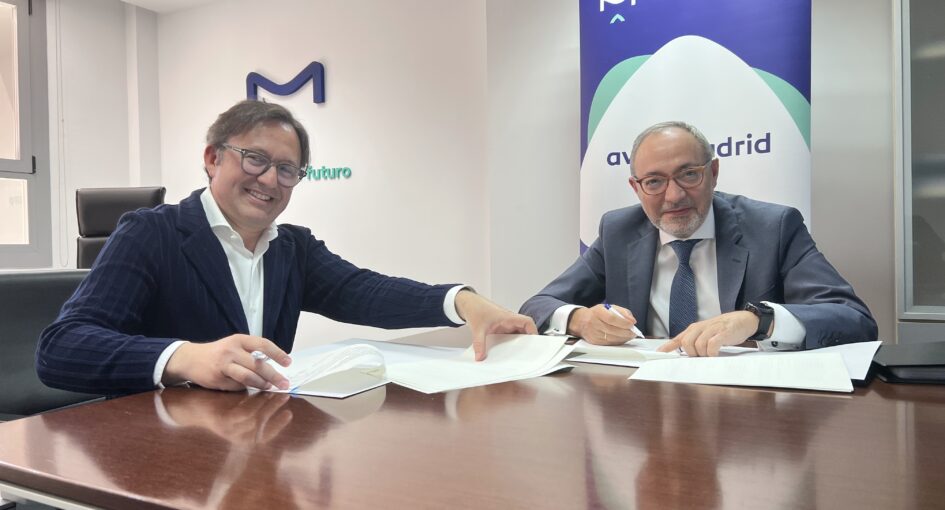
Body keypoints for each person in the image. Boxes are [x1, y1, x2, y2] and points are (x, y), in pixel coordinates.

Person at [37, 100, 536, 395]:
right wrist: (184, 357)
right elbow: (60, 348)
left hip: (256, 444)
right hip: (162, 453)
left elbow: (366, 292)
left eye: (288, 169)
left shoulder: (291, 248)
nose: (270, 180)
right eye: (255, 159)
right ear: (213, 159)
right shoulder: (151, 233)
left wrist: (462, 301)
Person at [520, 121, 877, 357]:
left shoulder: (774, 226)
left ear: (714, 172)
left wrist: (758, 321)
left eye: (688, 175)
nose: (673, 196)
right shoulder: (618, 231)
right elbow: (537, 305)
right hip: (645, 406)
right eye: (654, 182)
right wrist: (581, 320)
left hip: (749, 413)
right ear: (636, 187)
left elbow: (854, 319)